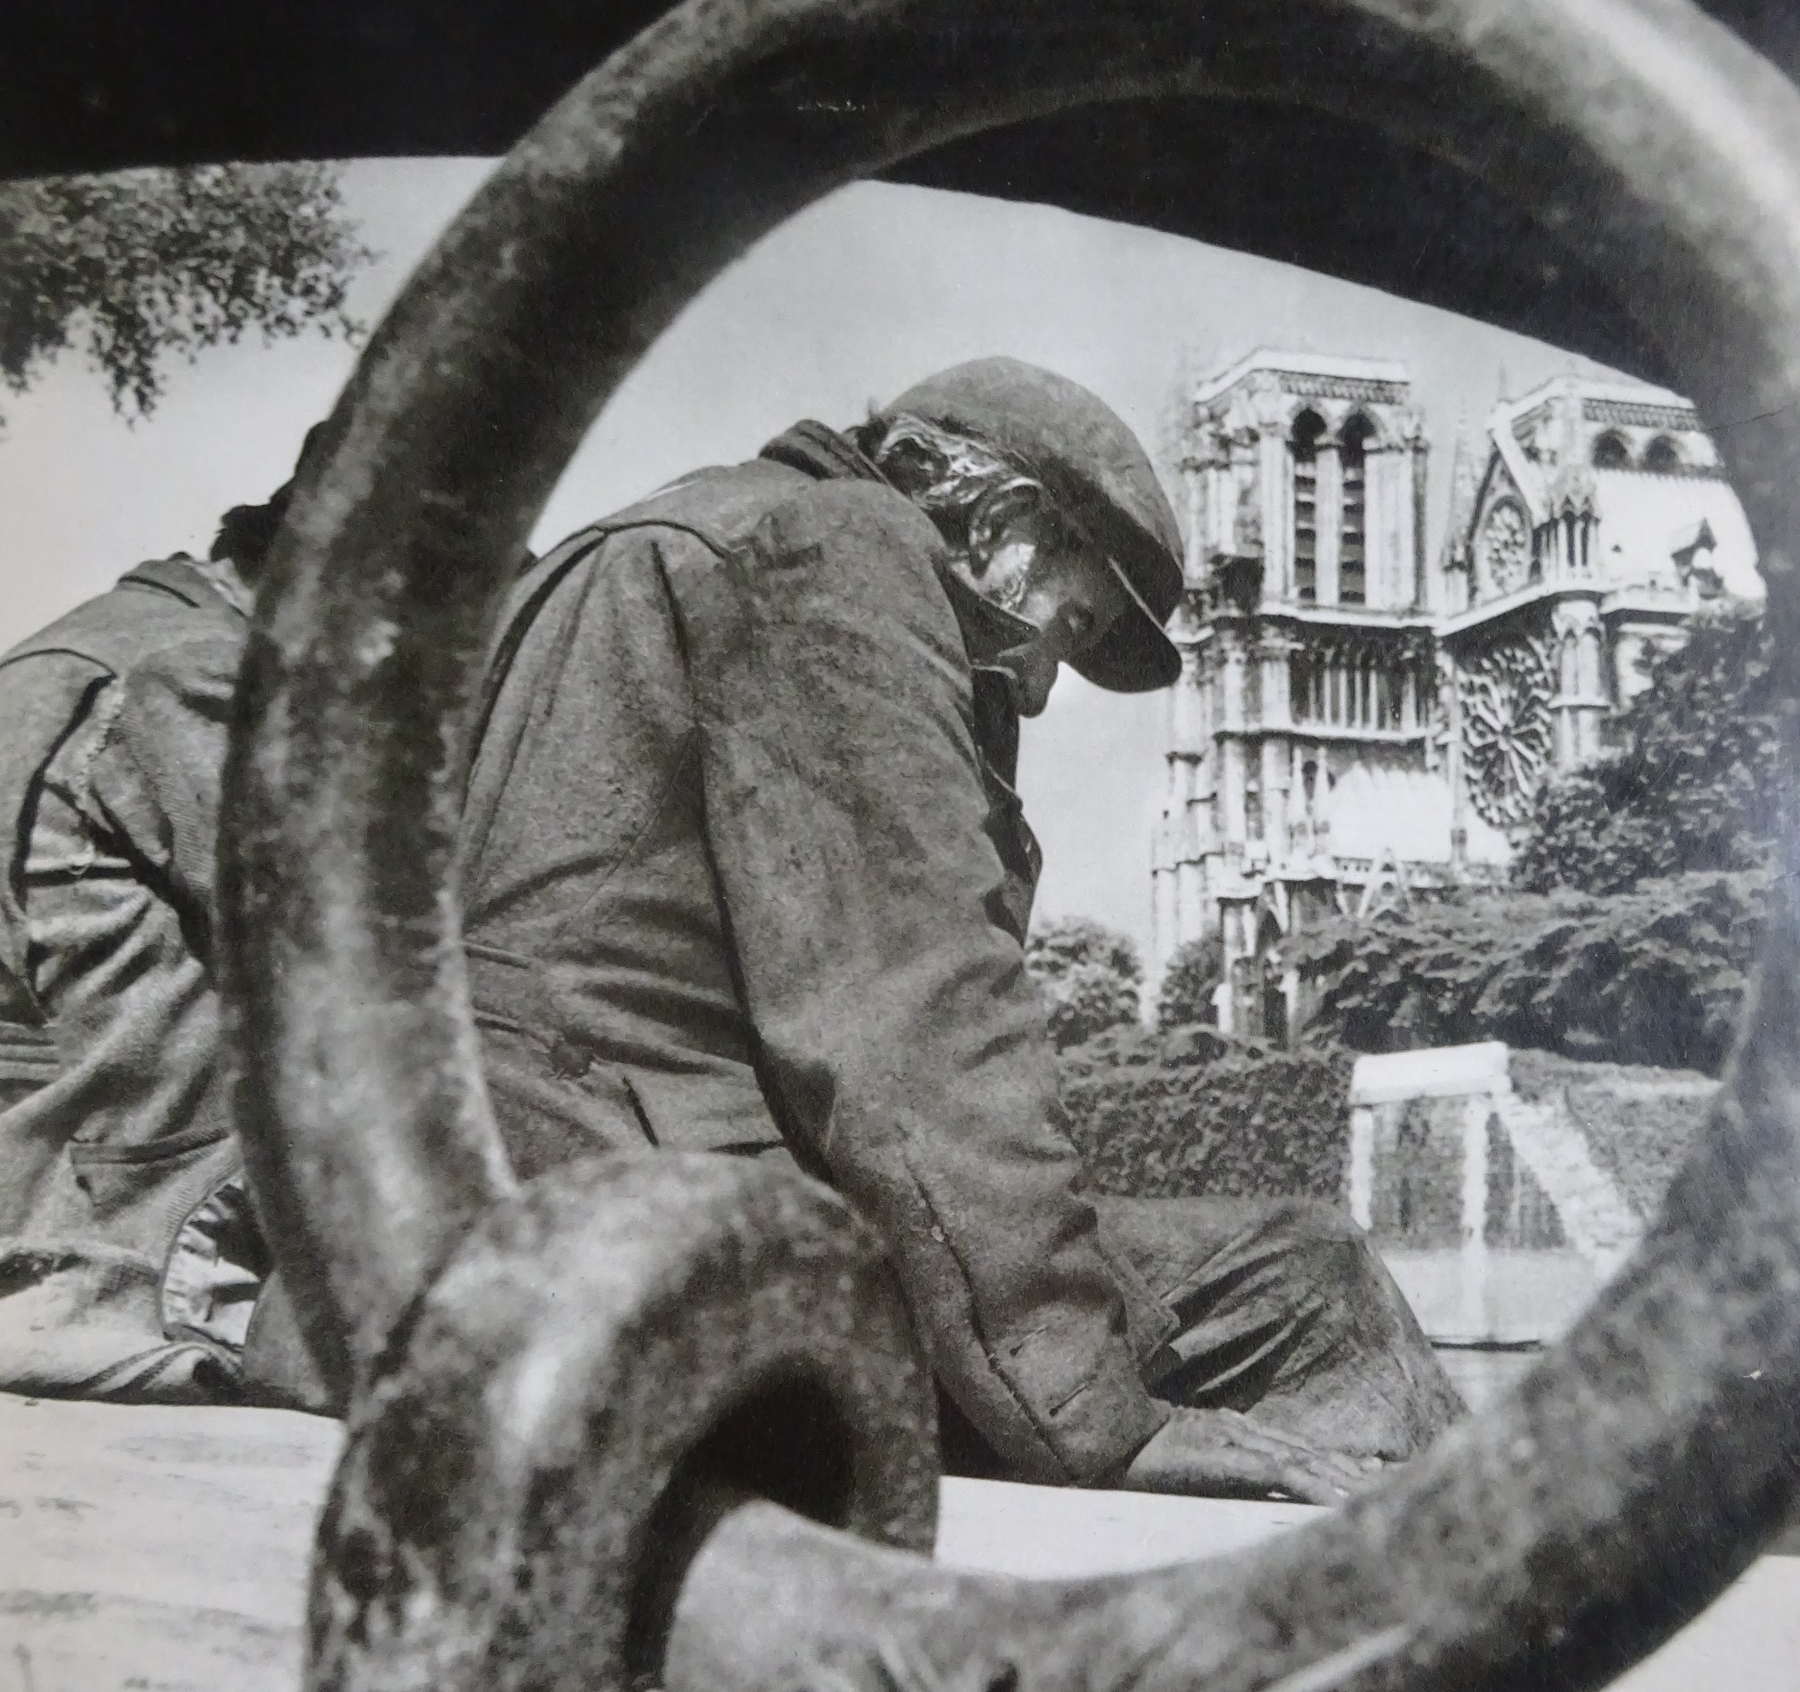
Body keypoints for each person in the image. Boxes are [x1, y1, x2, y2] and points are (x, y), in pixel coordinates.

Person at [459, 359, 1464, 1501]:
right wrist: (1097, 1414)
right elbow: (919, 1031)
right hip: (638, 1263)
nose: (1037, 687)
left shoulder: (642, 538)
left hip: (501, 1225)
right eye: (1066, 620)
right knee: (1304, 1270)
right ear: (997, 517)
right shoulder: (836, 556)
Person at [0, 451, 317, 1404]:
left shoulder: (72, 647)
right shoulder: (202, 676)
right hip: (151, 1275)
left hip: (44, 1214)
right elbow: (344, 954)